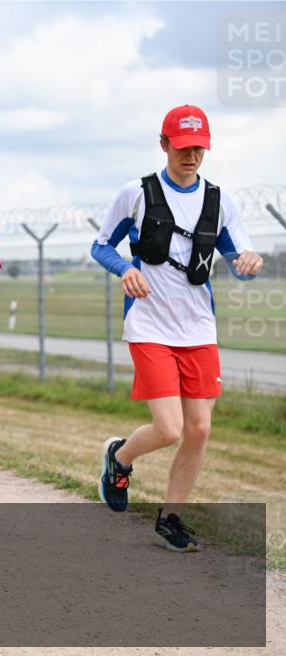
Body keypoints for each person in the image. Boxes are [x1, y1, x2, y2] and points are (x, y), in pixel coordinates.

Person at [92, 105, 264, 552]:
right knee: (169, 428)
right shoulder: (137, 193)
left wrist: (249, 263)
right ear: (164, 145)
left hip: (198, 329)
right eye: (183, 147)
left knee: (199, 429)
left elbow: (239, 261)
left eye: (198, 148)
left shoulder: (218, 201)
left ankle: (170, 519)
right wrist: (126, 269)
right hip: (149, 325)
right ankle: (119, 459)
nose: (191, 156)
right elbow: (101, 246)